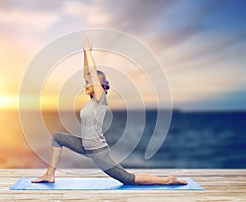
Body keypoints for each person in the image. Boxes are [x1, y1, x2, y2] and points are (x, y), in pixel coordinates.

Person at [32, 37, 187, 185]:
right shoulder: (92, 101)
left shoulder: (101, 100)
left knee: (127, 178)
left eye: (89, 82)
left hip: (98, 151)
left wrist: (89, 51)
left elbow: (92, 72)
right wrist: (85, 52)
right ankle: (49, 174)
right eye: (86, 82)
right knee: (58, 137)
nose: (85, 84)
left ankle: (168, 180)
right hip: (85, 146)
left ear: (98, 84)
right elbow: (87, 71)